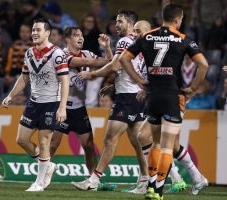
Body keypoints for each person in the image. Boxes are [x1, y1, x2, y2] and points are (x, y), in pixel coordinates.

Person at [119, 4, 208, 199]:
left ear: (162, 18)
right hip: (173, 96)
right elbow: (204, 64)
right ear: (178, 19)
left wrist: (140, 81)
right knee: (168, 146)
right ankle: (158, 190)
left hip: (153, 95)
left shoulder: (147, 36)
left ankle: (152, 186)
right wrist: (193, 88)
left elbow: (125, 59)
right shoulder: (183, 39)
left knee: (155, 144)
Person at [71, 10, 149, 194]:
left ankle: (94, 180)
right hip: (138, 95)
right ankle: (145, 180)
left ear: (130, 24)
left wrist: (91, 74)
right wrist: (114, 84)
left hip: (127, 98)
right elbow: (128, 69)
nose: (116, 25)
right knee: (138, 142)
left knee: (110, 140)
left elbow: (115, 65)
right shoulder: (139, 43)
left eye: (120, 21)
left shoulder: (124, 42)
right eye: (116, 21)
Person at [2, 18, 69, 192]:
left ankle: (39, 183)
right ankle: (48, 166)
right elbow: (24, 77)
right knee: (21, 140)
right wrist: (10, 95)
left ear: (47, 33)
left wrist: (62, 107)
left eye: (38, 30)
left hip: (51, 104)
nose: (34, 33)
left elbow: (65, 81)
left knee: (44, 141)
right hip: (33, 103)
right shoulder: (29, 52)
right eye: (33, 30)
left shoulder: (57, 54)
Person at [46, 26, 113, 189]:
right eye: (76, 35)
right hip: (61, 106)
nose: (81, 38)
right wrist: (103, 63)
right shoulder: (61, 55)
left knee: (89, 145)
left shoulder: (88, 53)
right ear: (67, 39)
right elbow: (86, 63)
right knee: (53, 143)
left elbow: (109, 67)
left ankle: (93, 181)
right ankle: (43, 176)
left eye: (82, 35)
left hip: (79, 108)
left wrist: (107, 49)